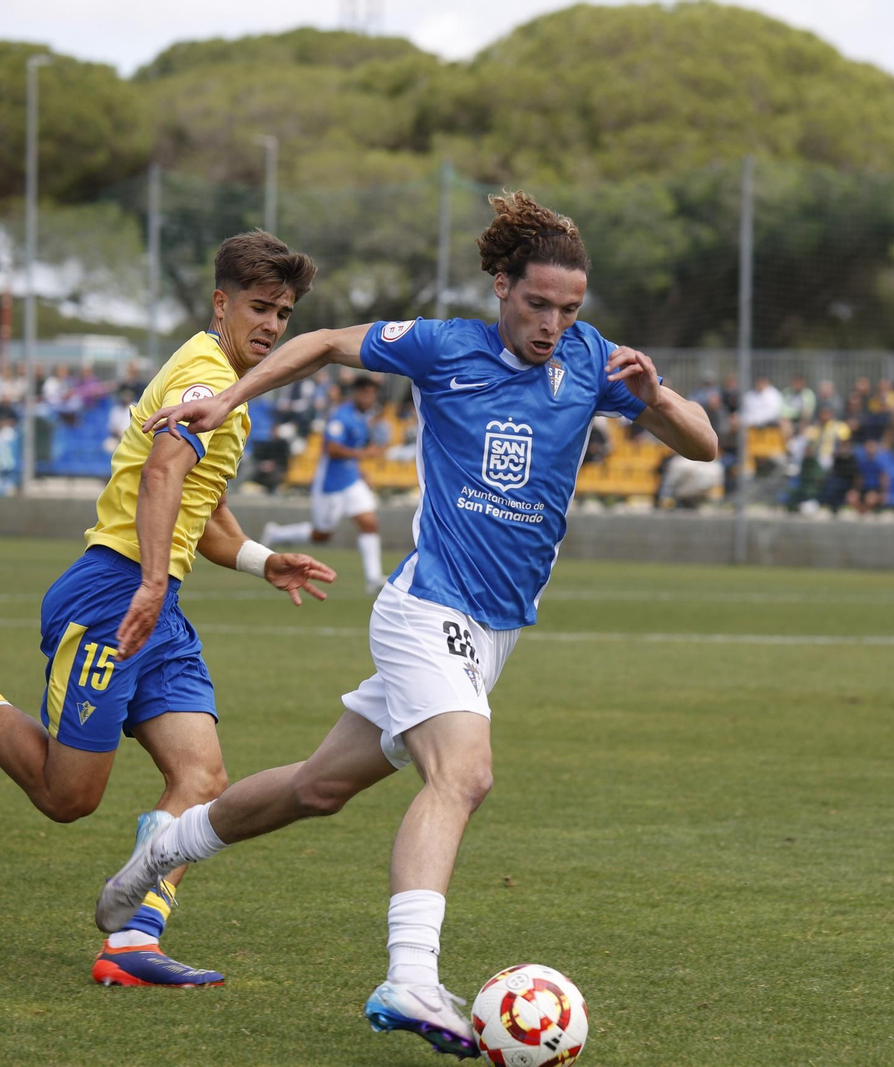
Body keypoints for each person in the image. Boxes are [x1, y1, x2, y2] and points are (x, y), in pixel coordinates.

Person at [97, 191, 719, 1058]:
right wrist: (227, 399)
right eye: (536, 303)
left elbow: (704, 444)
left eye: (568, 309)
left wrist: (655, 398)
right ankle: (411, 975)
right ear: (500, 285)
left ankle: (166, 847)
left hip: (494, 633)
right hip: (429, 608)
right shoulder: (445, 347)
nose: (552, 323)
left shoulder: (592, 361)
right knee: (463, 774)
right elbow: (320, 343)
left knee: (317, 787)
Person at [0, 232, 337, 989]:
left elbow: (203, 508)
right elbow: (163, 474)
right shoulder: (202, 377)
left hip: (156, 600)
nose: (271, 325)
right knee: (69, 798)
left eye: (284, 313)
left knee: (203, 776)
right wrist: (152, 583)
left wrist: (261, 560)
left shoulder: (226, 383)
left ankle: (134, 937)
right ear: (220, 302)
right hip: (113, 597)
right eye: (259, 307)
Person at [263, 377, 387, 591]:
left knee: (369, 523)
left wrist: (361, 470)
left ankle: (373, 579)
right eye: (365, 393)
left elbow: (352, 451)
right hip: (331, 484)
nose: (369, 398)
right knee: (321, 535)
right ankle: (277, 534)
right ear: (355, 394)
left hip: (351, 482)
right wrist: (363, 454)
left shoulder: (362, 417)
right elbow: (332, 449)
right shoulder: (342, 416)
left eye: (372, 394)